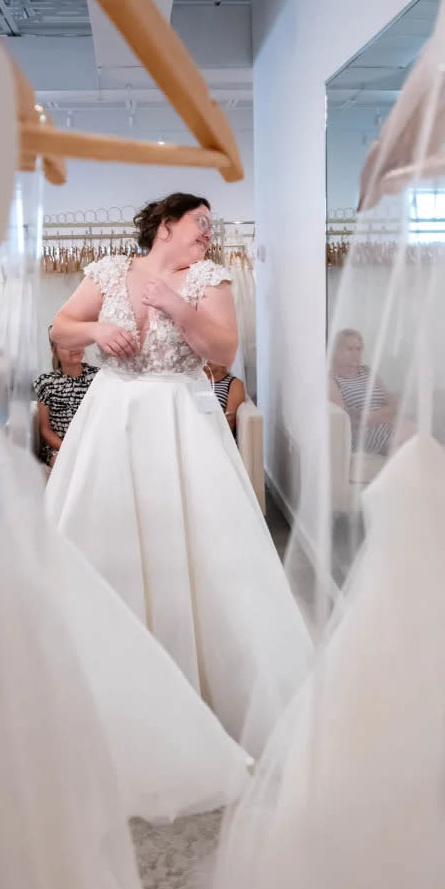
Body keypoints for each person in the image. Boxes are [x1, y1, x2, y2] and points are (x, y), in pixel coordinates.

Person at [45, 192, 310, 754]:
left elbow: (225, 347)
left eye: (211, 225)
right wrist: (95, 333)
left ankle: (198, 692)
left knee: (190, 550)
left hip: (179, 422)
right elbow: (61, 327)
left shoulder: (209, 279)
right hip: (110, 418)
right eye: (200, 222)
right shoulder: (111, 270)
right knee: (105, 541)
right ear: (166, 225)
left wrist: (177, 305)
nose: (208, 233)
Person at [329, 327, 403, 456]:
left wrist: (374, 416)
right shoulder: (332, 379)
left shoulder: (367, 372)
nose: (356, 354)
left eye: (358, 349)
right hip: (363, 437)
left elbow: (394, 404)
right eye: (350, 349)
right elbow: (345, 420)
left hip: (387, 428)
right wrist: (385, 414)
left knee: (420, 435)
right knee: (416, 440)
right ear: (336, 351)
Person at [33, 340, 98, 467]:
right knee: (66, 466)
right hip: (58, 448)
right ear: (54, 350)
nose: (75, 348)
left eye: (77, 342)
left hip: (92, 444)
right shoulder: (46, 382)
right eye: (67, 345)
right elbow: (45, 429)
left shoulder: (98, 377)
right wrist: (68, 450)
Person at [203, 360, 246, 434]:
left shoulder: (234, 383)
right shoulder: (192, 382)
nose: (207, 358)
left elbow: (230, 420)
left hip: (214, 436)